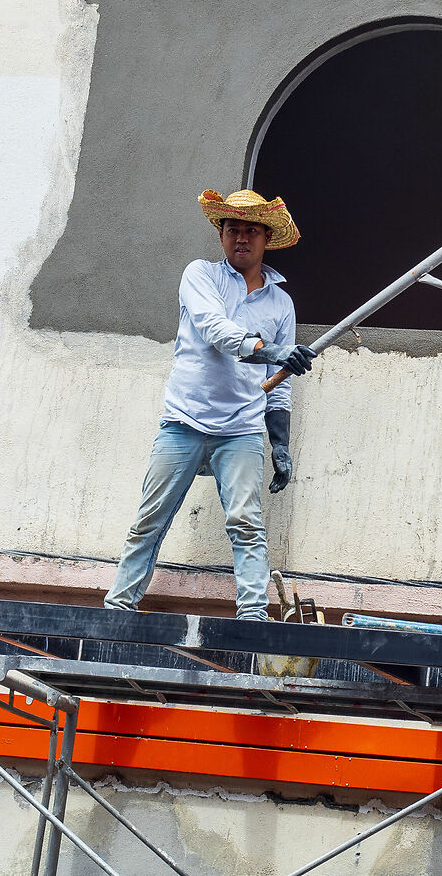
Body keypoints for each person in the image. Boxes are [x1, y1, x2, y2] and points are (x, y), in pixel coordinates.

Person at [104, 189, 316, 621]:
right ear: (221, 236)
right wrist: (274, 350)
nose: (241, 237)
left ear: (266, 238)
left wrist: (279, 444)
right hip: (184, 420)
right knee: (151, 519)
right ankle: (117, 609)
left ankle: (254, 617)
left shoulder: (281, 303)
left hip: (241, 428)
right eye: (232, 229)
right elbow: (216, 331)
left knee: (246, 524)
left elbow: (277, 388)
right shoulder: (200, 275)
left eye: (251, 230)